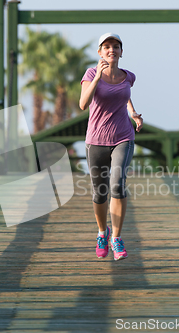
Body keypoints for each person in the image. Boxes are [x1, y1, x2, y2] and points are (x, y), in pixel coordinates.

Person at [79, 33, 143, 260]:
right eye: (106, 47)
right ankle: (101, 233)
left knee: (117, 185)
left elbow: (123, 95)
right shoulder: (90, 74)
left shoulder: (128, 76)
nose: (111, 50)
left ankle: (116, 238)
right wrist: (97, 77)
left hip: (122, 137)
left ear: (121, 52)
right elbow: (83, 104)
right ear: (100, 52)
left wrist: (132, 113)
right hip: (95, 140)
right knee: (100, 192)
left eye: (115, 46)